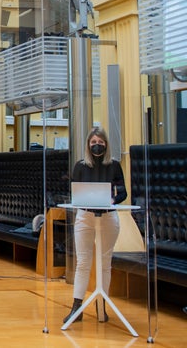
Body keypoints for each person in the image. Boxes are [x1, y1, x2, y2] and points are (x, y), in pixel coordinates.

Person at [64, 127, 126, 324]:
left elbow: (123, 192)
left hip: (108, 217)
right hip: (85, 216)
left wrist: (112, 200)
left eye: (100, 142)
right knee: (83, 262)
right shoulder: (80, 166)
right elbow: (74, 192)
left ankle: (101, 306)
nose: (97, 145)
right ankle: (77, 307)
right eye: (93, 142)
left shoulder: (114, 165)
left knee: (105, 263)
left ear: (106, 144)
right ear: (88, 145)